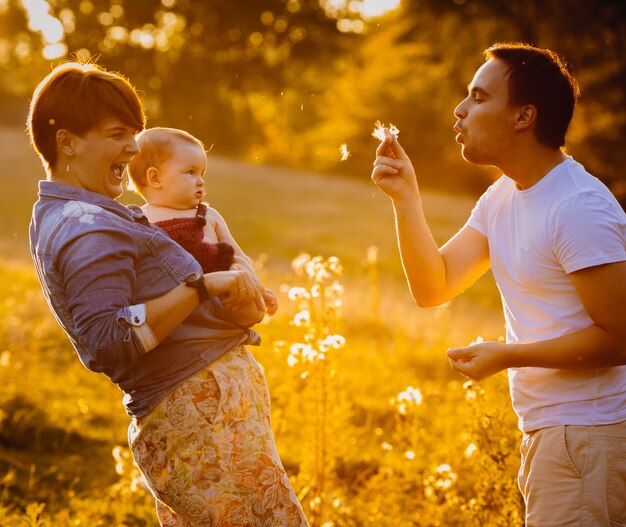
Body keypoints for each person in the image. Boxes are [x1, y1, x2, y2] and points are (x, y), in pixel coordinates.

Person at [27, 62, 309, 527]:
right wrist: (200, 287)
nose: (132, 147)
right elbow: (106, 339)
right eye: (118, 133)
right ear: (67, 142)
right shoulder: (84, 225)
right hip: (196, 416)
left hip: (200, 414)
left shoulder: (79, 213)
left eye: (134, 134)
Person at [372, 42, 626, 526]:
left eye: (479, 97)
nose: (460, 109)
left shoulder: (578, 207)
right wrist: (405, 197)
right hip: (553, 434)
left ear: (523, 116)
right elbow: (434, 286)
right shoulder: (502, 196)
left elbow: (620, 338)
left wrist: (508, 355)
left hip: (590, 436)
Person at [126, 126, 277, 328]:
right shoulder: (137, 222)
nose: (201, 181)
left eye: (202, 173)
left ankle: (242, 312)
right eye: (191, 172)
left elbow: (238, 256)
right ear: (155, 178)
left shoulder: (208, 216)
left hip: (224, 301)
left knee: (251, 310)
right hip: (174, 314)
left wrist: (250, 283)